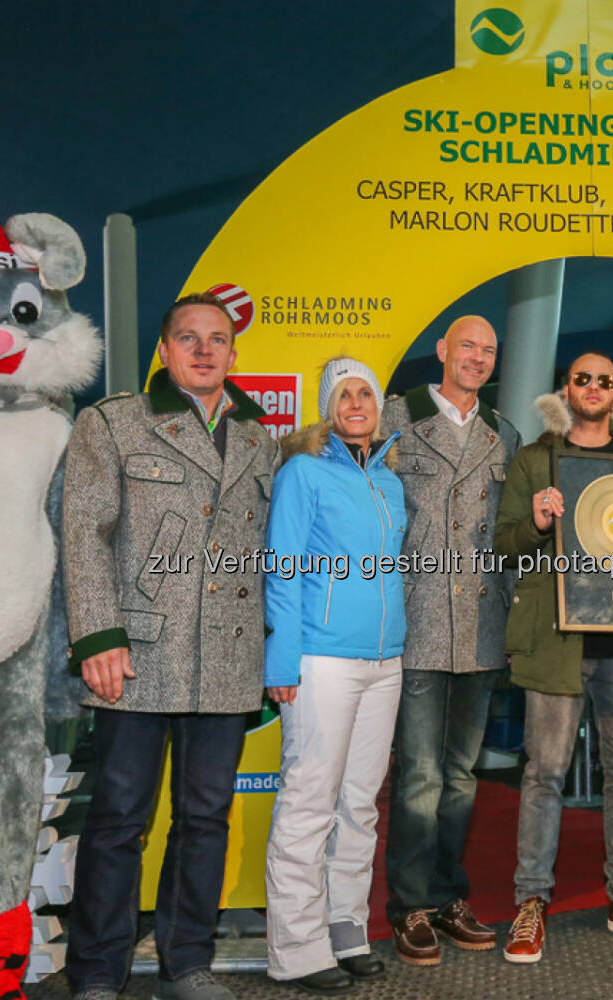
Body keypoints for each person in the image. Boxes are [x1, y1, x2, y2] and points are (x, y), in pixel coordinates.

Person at [62, 293, 280, 1000]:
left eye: (217, 339)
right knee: (120, 818)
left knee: (205, 819)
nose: (204, 350)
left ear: (234, 353)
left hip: (227, 656)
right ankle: (97, 971)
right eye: (188, 338)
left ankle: (188, 961)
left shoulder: (257, 439)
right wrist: (97, 635)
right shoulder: (113, 423)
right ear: (164, 349)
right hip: (137, 654)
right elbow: (84, 534)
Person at [494, 352, 613, 964]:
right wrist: (540, 522)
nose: (594, 387)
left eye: (605, 379)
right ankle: (530, 905)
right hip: (555, 642)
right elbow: (506, 545)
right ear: (566, 389)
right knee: (543, 774)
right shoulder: (533, 460)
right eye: (583, 379)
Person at [262, 358, 407, 994]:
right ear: (328, 407)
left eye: (365, 393)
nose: (356, 403)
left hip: (385, 662)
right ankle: (296, 950)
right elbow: (282, 568)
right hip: (322, 659)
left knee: (359, 805)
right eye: (344, 394)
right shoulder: (303, 472)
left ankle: (346, 926)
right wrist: (281, 659)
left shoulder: (389, 483)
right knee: (308, 802)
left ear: (379, 406)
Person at [380, 315, 520, 966]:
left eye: (489, 351)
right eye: (467, 346)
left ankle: (446, 895)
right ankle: (407, 905)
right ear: (441, 351)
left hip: (482, 627)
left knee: (462, 777)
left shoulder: (505, 435)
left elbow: (516, 534)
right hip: (416, 619)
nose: (478, 358)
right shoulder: (392, 420)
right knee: (418, 777)